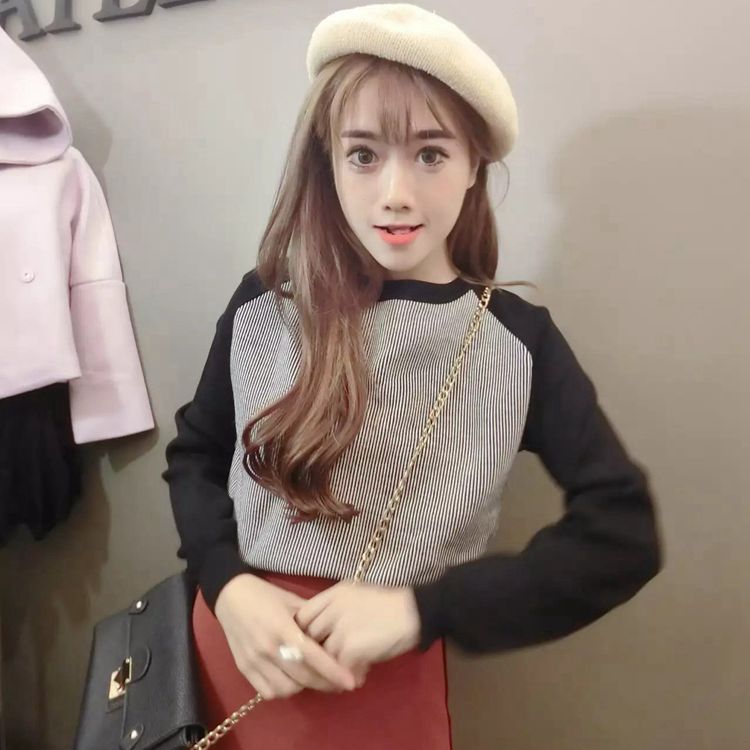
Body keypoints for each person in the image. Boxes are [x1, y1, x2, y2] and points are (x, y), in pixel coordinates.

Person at [162, 4, 663, 748]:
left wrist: (421, 609)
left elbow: (623, 534)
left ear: (473, 166)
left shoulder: (515, 343)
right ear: (329, 164)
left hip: (380, 693)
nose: (395, 192)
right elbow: (195, 457)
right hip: (230, 657)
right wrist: (227, 583)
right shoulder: (268, 303)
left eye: (430, 154)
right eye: (363, 155)